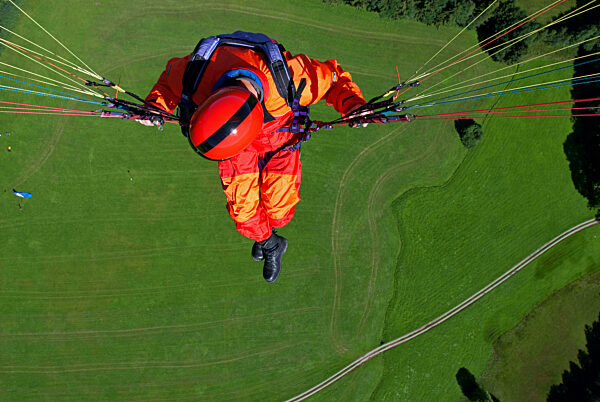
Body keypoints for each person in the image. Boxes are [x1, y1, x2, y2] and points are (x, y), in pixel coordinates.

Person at [141, 31, 367, 283]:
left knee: (280, 211)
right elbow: (168, 80)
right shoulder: (195, 77)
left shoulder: (290, 80)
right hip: (234, 147)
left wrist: (352, 104)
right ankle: (270, 243)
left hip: (280, 141)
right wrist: (156, 106)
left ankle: (267, 234)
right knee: (244, 213)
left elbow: (333, 77)